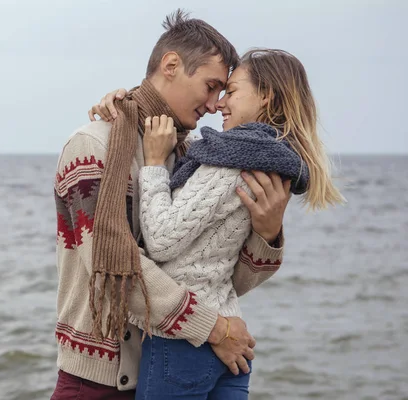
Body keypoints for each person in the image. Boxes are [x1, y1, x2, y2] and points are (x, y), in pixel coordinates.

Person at [51, 10, 291, 400]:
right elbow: (111, 267)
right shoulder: (92, 147)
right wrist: (214, 328)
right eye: (211, 86)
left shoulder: (191, 159)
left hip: (173, 362)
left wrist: (267, 232)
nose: (215, 104)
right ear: (171, 65)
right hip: (99, 380)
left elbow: (216, 276)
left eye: (223, 92)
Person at [88, 48, 345, 399]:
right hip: (228, 340)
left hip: (185, 343)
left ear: (266, 95)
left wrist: (152, 163)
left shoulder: (228, 163)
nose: (219, 103)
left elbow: (162, 240)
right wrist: (124, 100)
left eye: (232, 91)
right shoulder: (271, 160)